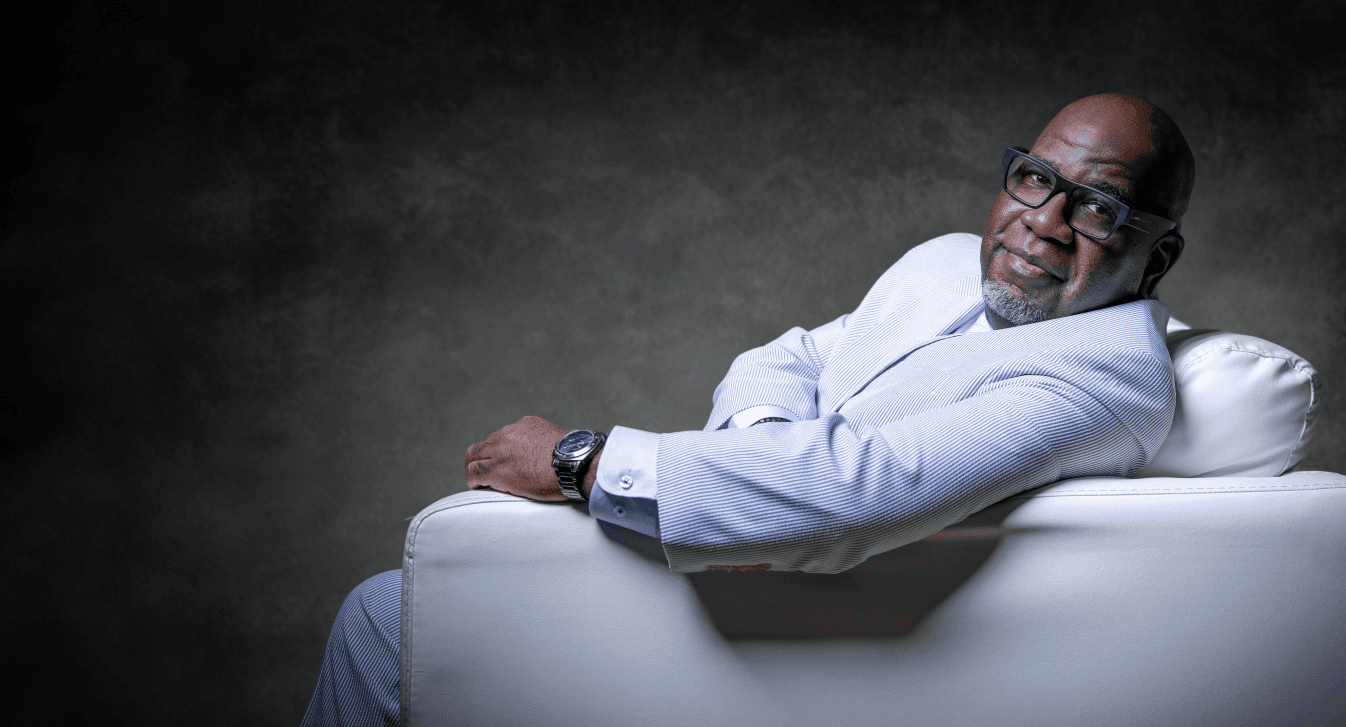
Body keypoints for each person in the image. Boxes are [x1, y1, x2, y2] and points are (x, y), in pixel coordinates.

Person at [301, 92, 1196, 725]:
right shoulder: (947, 262)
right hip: (741, 543)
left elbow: (852, 494)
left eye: (1099, 207)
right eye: (1035, 177)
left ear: (1156, 258)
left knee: (386, 618)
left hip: (804, 625)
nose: (1044, 220)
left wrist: (582, 461)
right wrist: (771, 451)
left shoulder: (1106, 377)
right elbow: (790, 355)